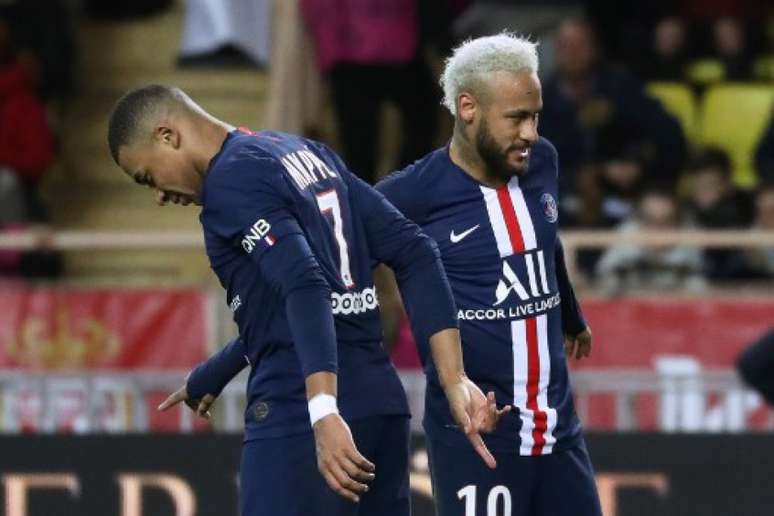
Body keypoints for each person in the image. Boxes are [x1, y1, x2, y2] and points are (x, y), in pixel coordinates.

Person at [106, 85, 503, 516]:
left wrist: (323, 411)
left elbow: (305, 286)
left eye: (147, 176)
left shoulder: (231, 180)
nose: (159, 195)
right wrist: (454, 378)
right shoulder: (301, 152)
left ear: (167, 135)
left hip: (302, 417)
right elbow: (414, 252)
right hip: (378, 408)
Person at [376, 34, 602, 516]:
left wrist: (570, 312)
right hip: (479, 439)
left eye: (535, 115)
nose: (531, 133)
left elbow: (546, 239)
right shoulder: (411, 194)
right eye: (516, 118)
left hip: (559, 434)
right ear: (468, 107)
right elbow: (324, 262)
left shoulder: (543, 163)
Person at [596, 189, 707, 292]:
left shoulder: (689, 236)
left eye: (666, 220)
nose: (658, 228)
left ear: (678, 221)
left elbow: (699, 285)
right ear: (638, 220)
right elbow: (604, 280)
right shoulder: (626, 235)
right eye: (650, 219)